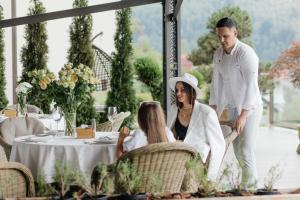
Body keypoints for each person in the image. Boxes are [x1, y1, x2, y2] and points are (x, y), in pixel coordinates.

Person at [209, 17, 263, 187]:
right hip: (232, 108)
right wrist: (213, 112)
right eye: (219, 37)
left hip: (250, 109)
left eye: (226, 36)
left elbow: (251, 87)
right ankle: (246, 185)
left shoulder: (246, 54)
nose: (222, 40)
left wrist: (243, 115)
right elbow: (216, 84)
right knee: (238, 152)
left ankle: (251, 189)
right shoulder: (218, 54)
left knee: (246, 150)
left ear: (235, 33)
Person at [168, 73, 225, 181]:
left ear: (191, 91)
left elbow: (219, 145)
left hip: (195, 159)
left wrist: (210, 178)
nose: (178, 93)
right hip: (175, 156)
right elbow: (169, 134)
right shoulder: (173, 109)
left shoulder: (206, 113)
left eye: (182, 90)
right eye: (176, 90)